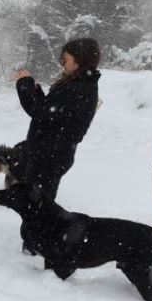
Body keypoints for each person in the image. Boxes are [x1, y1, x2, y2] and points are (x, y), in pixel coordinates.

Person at [14, 38, 101, 201]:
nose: (62, 64)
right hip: (51, 154)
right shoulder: (79, 84)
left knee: (37, 207)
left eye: (65, 60)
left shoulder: (79, 88)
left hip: (50, 156)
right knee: (38, 206)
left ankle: (42, 227)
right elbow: (47, 110)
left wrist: (24, 85)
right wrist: (33, 88)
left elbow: (38, 110)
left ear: (79, 61)